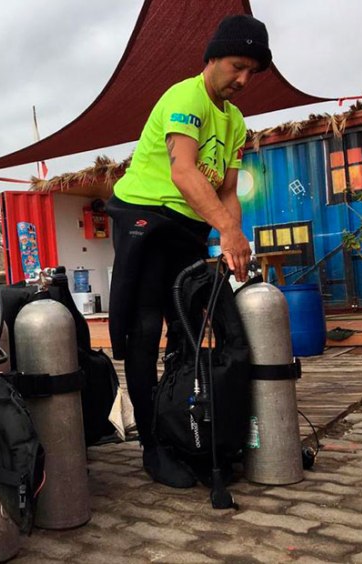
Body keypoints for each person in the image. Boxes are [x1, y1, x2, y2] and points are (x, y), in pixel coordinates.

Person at [106, 14, 272, 488]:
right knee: (144, 330)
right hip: (146, 216)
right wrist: (226, 230)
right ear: (213, 57)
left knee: (187, 329)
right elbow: (183, 172)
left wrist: (231, 241)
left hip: (189, 223)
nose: (243, 80)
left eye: (251, 73)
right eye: (238, 66)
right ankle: (152, 447)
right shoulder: (185, 97)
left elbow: (227, 190)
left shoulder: (236, 121)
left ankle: (185, 430)